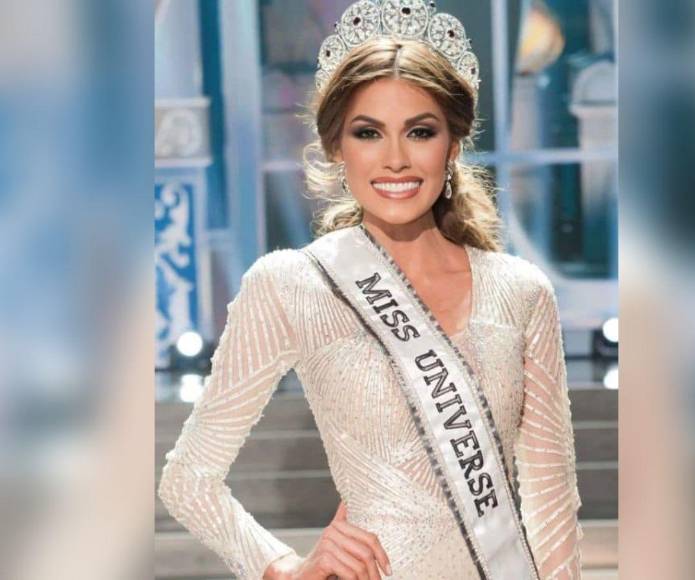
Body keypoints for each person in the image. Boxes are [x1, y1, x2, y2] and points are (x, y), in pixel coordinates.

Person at [158, 2, 583, 579]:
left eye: (420, 132)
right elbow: (188, 479)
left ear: (453, 144)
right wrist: (284, 568)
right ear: (337, 146)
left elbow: (552, 502)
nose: (396, 159)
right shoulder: (292, 284)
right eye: (368, 133)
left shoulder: (520, 291)